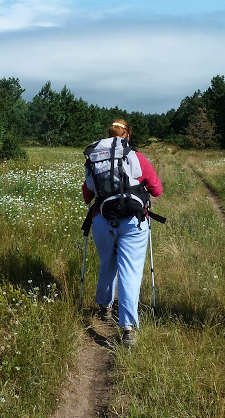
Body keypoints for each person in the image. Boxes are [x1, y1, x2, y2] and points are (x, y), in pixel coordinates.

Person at [82, 119, 163, 346]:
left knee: (108, 261)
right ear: (127, 136)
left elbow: (87, 195)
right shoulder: (137, 158)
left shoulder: (95, 159)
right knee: (130, 272)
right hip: (134, 222)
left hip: (103, 220)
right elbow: (156, 190)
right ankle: (127, 328)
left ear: (109, 135)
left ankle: (105, 307)